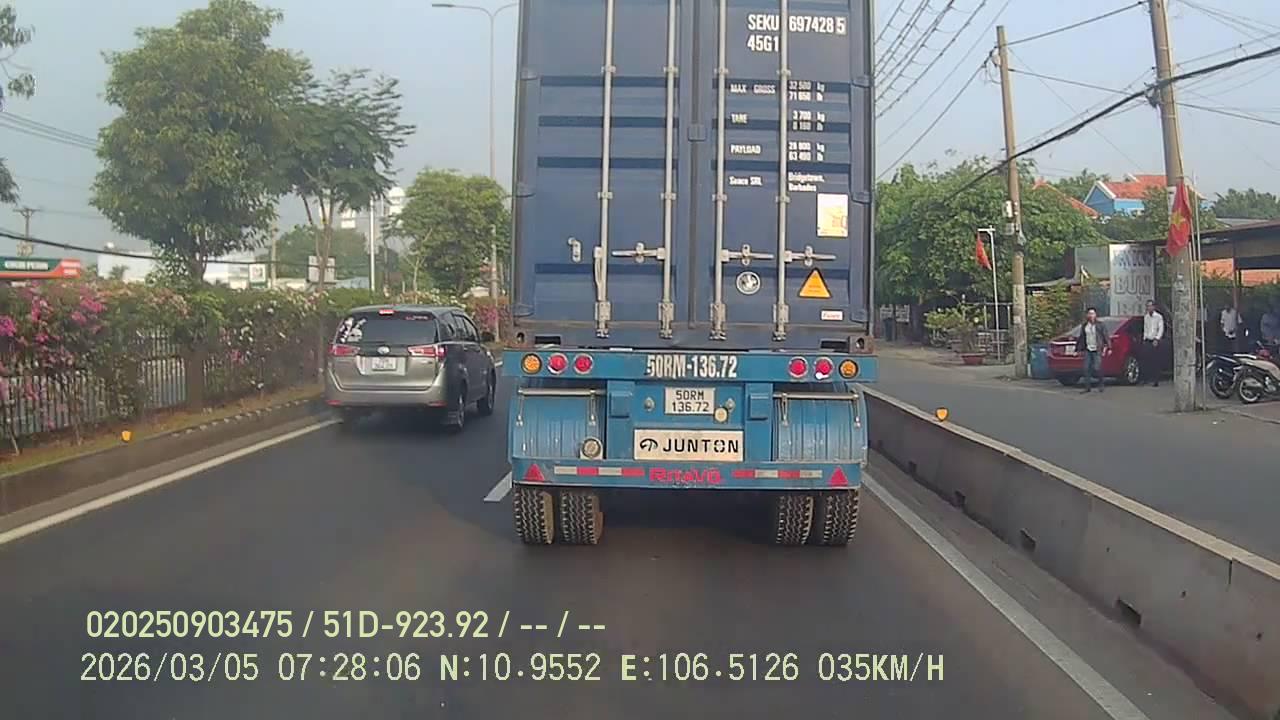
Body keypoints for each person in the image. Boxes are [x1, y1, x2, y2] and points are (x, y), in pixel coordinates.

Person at [1076, 307, 1110, 393]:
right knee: (1086, 368)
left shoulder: (1100, 325)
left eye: (1093, 313)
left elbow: (1105, 336)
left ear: (1095, 315)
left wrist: (1109, 347)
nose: (1091, 315)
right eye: (1090, 314)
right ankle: (1087, 387)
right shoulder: (1085, 326)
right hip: (1088, 349)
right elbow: (1082, 337)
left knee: (1097, 367)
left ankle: (1101, 384)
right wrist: (1077, 349)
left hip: (1097, 349)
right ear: (1087, 315)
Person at [1141, 300, 1165, 387]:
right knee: (1146, 360)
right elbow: (1145, 328)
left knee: (1155, 360)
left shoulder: (1158, 317)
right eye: (1148, 306)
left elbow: (1161, 329)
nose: (1149, 308)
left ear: (1154, 307)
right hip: (1148, 339)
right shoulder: (1146, 317)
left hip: (1155, 340)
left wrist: (1157, 339)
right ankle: (1145, 379)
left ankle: (1156, 380)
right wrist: (1144, 338)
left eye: (1151, 306)